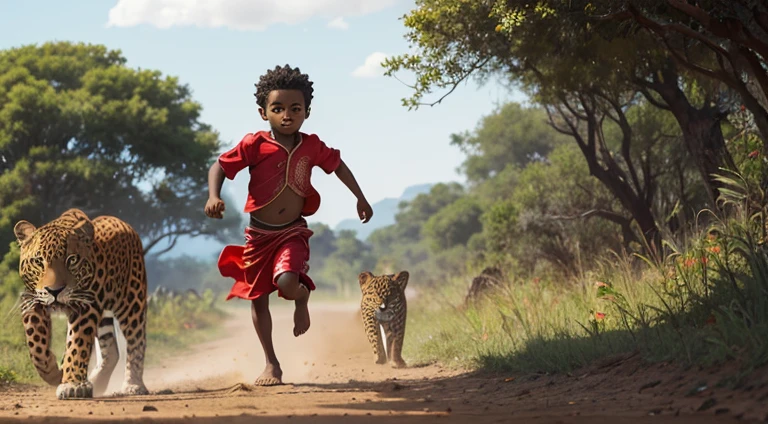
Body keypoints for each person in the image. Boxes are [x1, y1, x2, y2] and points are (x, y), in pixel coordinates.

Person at [204, 64, 373, 386]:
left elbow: (338, 166)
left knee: (286, 281)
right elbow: (220, 166)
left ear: (307, 112)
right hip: (258, 235)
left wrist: (360, 198)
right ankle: (271, 364)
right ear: (263, 112)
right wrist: (213, 196)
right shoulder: (254, 144)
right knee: (258, 298)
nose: (286, 115)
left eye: (295, 109)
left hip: (292, 231)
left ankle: (301, 295)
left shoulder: (312, 146)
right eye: (277, 108)